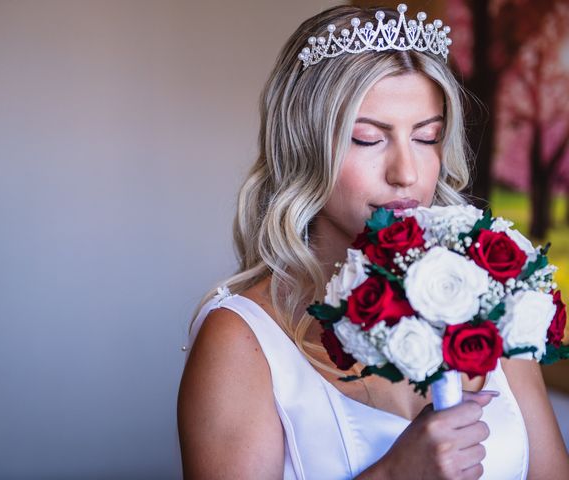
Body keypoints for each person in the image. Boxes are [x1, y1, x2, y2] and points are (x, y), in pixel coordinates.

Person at [177, 4, 569, 479]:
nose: (405, 173)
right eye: (367, 139)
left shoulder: (486, 299)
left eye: (427, 138)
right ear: (306, 148)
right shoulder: (244, 339)